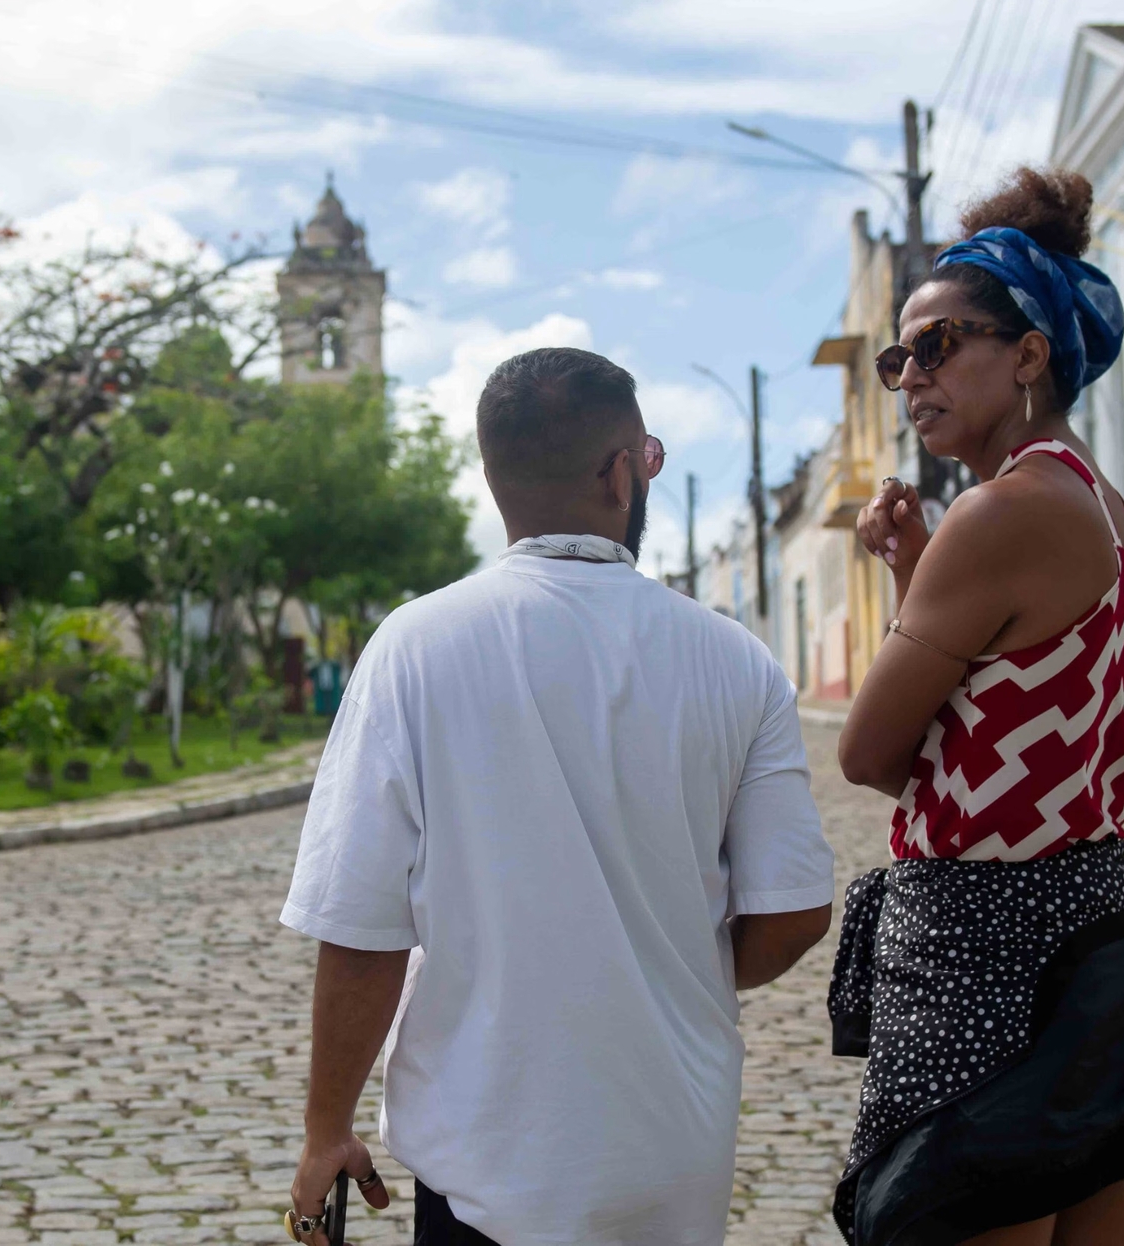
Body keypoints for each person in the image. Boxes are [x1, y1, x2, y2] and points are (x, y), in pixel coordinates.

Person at [277, 346, 837, 1246]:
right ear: (620, 475)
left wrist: (325, 1133)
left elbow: (361, 929)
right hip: (674, 1155)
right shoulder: (738, 661)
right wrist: (665, 967)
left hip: (485, 1165)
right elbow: (797, 911)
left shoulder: (414, 649)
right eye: (648, 458)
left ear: (494, 478)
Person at [830, 167, 1124, 1246]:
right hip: (1100, 934)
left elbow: (869, 753)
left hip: (982, 950)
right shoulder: (1120, 521)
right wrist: (918, 574)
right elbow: (1019, 721)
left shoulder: (999, 512)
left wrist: (930, 576)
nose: (910, 376)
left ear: (1030, 354)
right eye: (899, 357)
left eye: (939, 345)